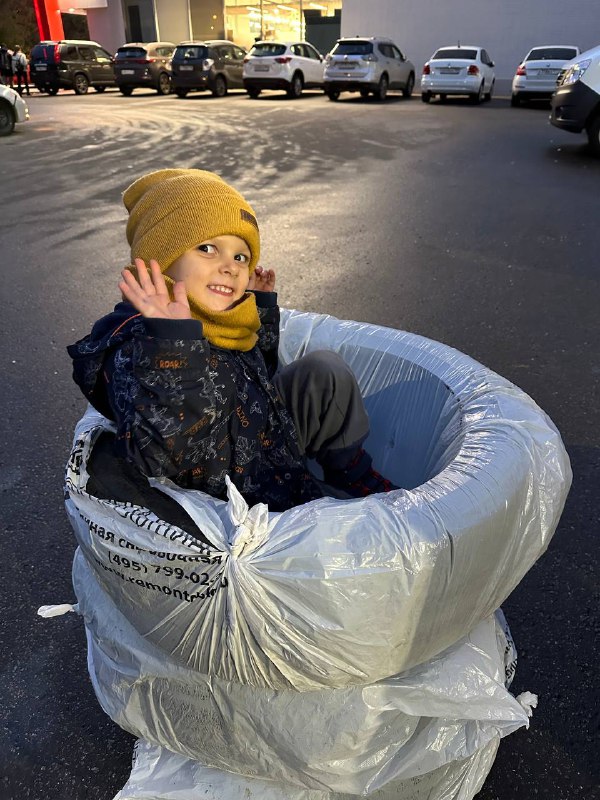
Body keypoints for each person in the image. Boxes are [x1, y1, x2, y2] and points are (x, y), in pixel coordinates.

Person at [68, 169, 397, 522]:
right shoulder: (142, 343)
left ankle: (348, 471)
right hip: (237, 503)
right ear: (160, 257)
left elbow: (260, 378)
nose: (230, 267)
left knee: (324, 371)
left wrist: (263, 311)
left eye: (241, 256)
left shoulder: (223, 320)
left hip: (268, 451)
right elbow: (159, 456)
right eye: (208, 248)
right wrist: (173, 345)